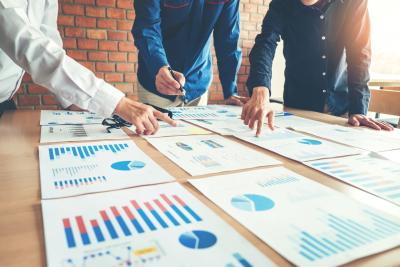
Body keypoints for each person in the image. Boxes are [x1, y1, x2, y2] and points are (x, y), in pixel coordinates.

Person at [0, 0, 175, 135]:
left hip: (6, 103)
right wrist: (117, 103)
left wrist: (75, 103)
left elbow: (51, 45)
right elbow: (30, 47)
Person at [242, 0, 393, 136]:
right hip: (297, 108)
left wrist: (358, 109)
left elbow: (359, 54)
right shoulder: (282, 3)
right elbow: (266, 42)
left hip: (340, 110)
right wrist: (261, 86)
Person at [132, 0, 248, 108]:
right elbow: (147, 27)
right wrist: (158, 66)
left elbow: (228, 40)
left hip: (199, 84)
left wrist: (230, 90)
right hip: (156, 84)